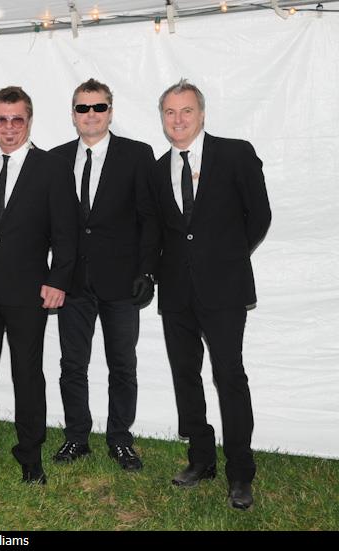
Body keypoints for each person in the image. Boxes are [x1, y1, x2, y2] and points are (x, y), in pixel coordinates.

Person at [150, 79, 271, 509]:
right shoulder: (157, 168)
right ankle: (200, 459)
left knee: (229, 377)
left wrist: (226, 259)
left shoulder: (235, 153)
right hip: (175, 292)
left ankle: (241, 472)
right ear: (162, 118)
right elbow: (157, 230)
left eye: (186, 110)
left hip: (224, 289)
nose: (178, 119)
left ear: (201, 114)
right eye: (170, 112)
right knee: (186, 376)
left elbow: (259, 215)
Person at [0, 86, 78, 484]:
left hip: (29, 292)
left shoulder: (52, 167)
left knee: (27, 374)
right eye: (1, 119)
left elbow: (67, 231)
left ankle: (30, 453)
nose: (9, 127)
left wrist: (58, 280)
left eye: (17, 119)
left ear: (29, 120)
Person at [49, 78, 157, 471]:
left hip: (122, 282)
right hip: (73, 283)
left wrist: (148, 271)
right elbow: (48, 222)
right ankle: (76, 437)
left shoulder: (137, 155)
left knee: (122, 364)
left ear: (110, 112)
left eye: (98, 107)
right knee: (72, 365)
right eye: (83, 108)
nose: (90, 114)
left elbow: (150, 219)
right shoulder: (56, 159)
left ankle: (120, 439)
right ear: (73, 114)